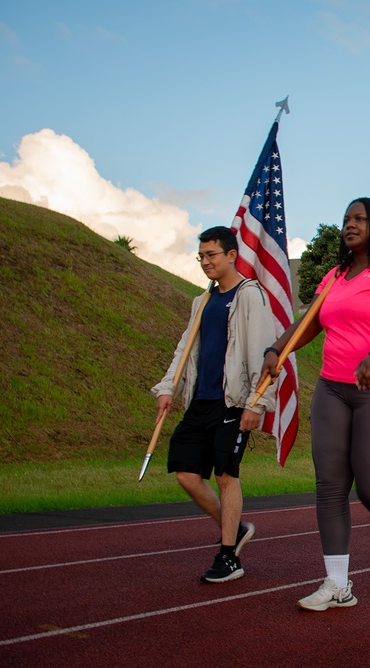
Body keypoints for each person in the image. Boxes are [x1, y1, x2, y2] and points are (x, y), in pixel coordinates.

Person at [262, 197, 370, 611]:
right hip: (332, 390)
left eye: (359, 218)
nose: (350, 224)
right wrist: (278, 348)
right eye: (346, 219)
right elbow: (309, 323)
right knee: (330, 485)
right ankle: (338, 586)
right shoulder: (336, 274)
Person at [152, 226, 275, 583]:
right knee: (187, 475)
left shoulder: (250, 296)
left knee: (225, 475)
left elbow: (264, 351)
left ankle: (228, 556)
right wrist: (167, 387)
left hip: (233, 402)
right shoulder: (202, 301)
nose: (205, 262)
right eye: (201, 256)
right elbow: (184, 349)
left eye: (212, 255)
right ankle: (234, 529)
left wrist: (257, 402)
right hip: (199, 401)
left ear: (231, 255)